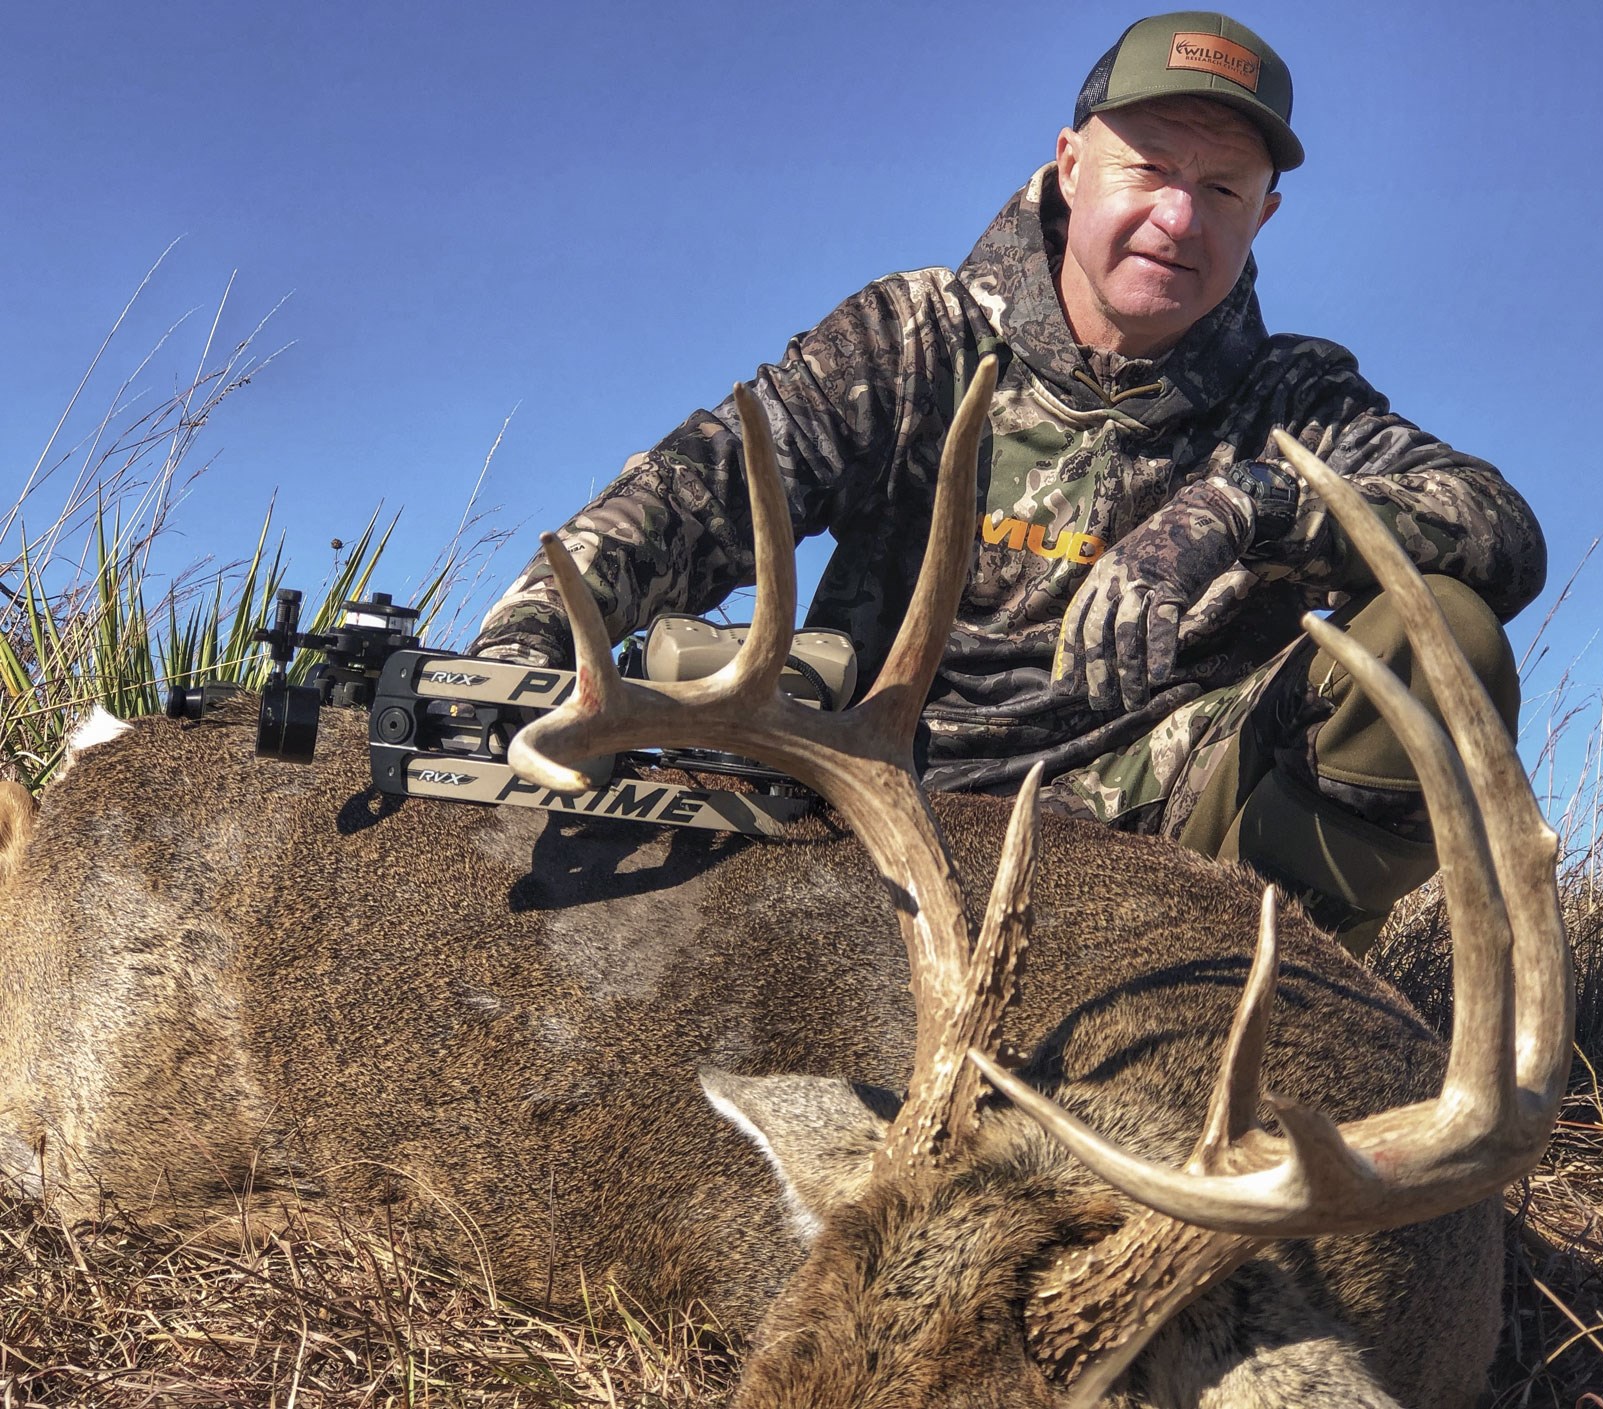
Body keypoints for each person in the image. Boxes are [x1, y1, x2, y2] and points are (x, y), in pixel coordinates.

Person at [469, 11, 1547, 950]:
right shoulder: (910, 338)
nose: (1181, 217)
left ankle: (1270, 998)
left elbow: (1498, 527)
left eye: (1221, 188)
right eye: (1152, 168)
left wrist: (1239, 510)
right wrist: (519, 648)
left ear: (1263, 216)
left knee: (1439, 630)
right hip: (871, 809)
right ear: (1072, 165)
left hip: (1168, 855)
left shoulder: (1297, 398)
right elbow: (691, 495)